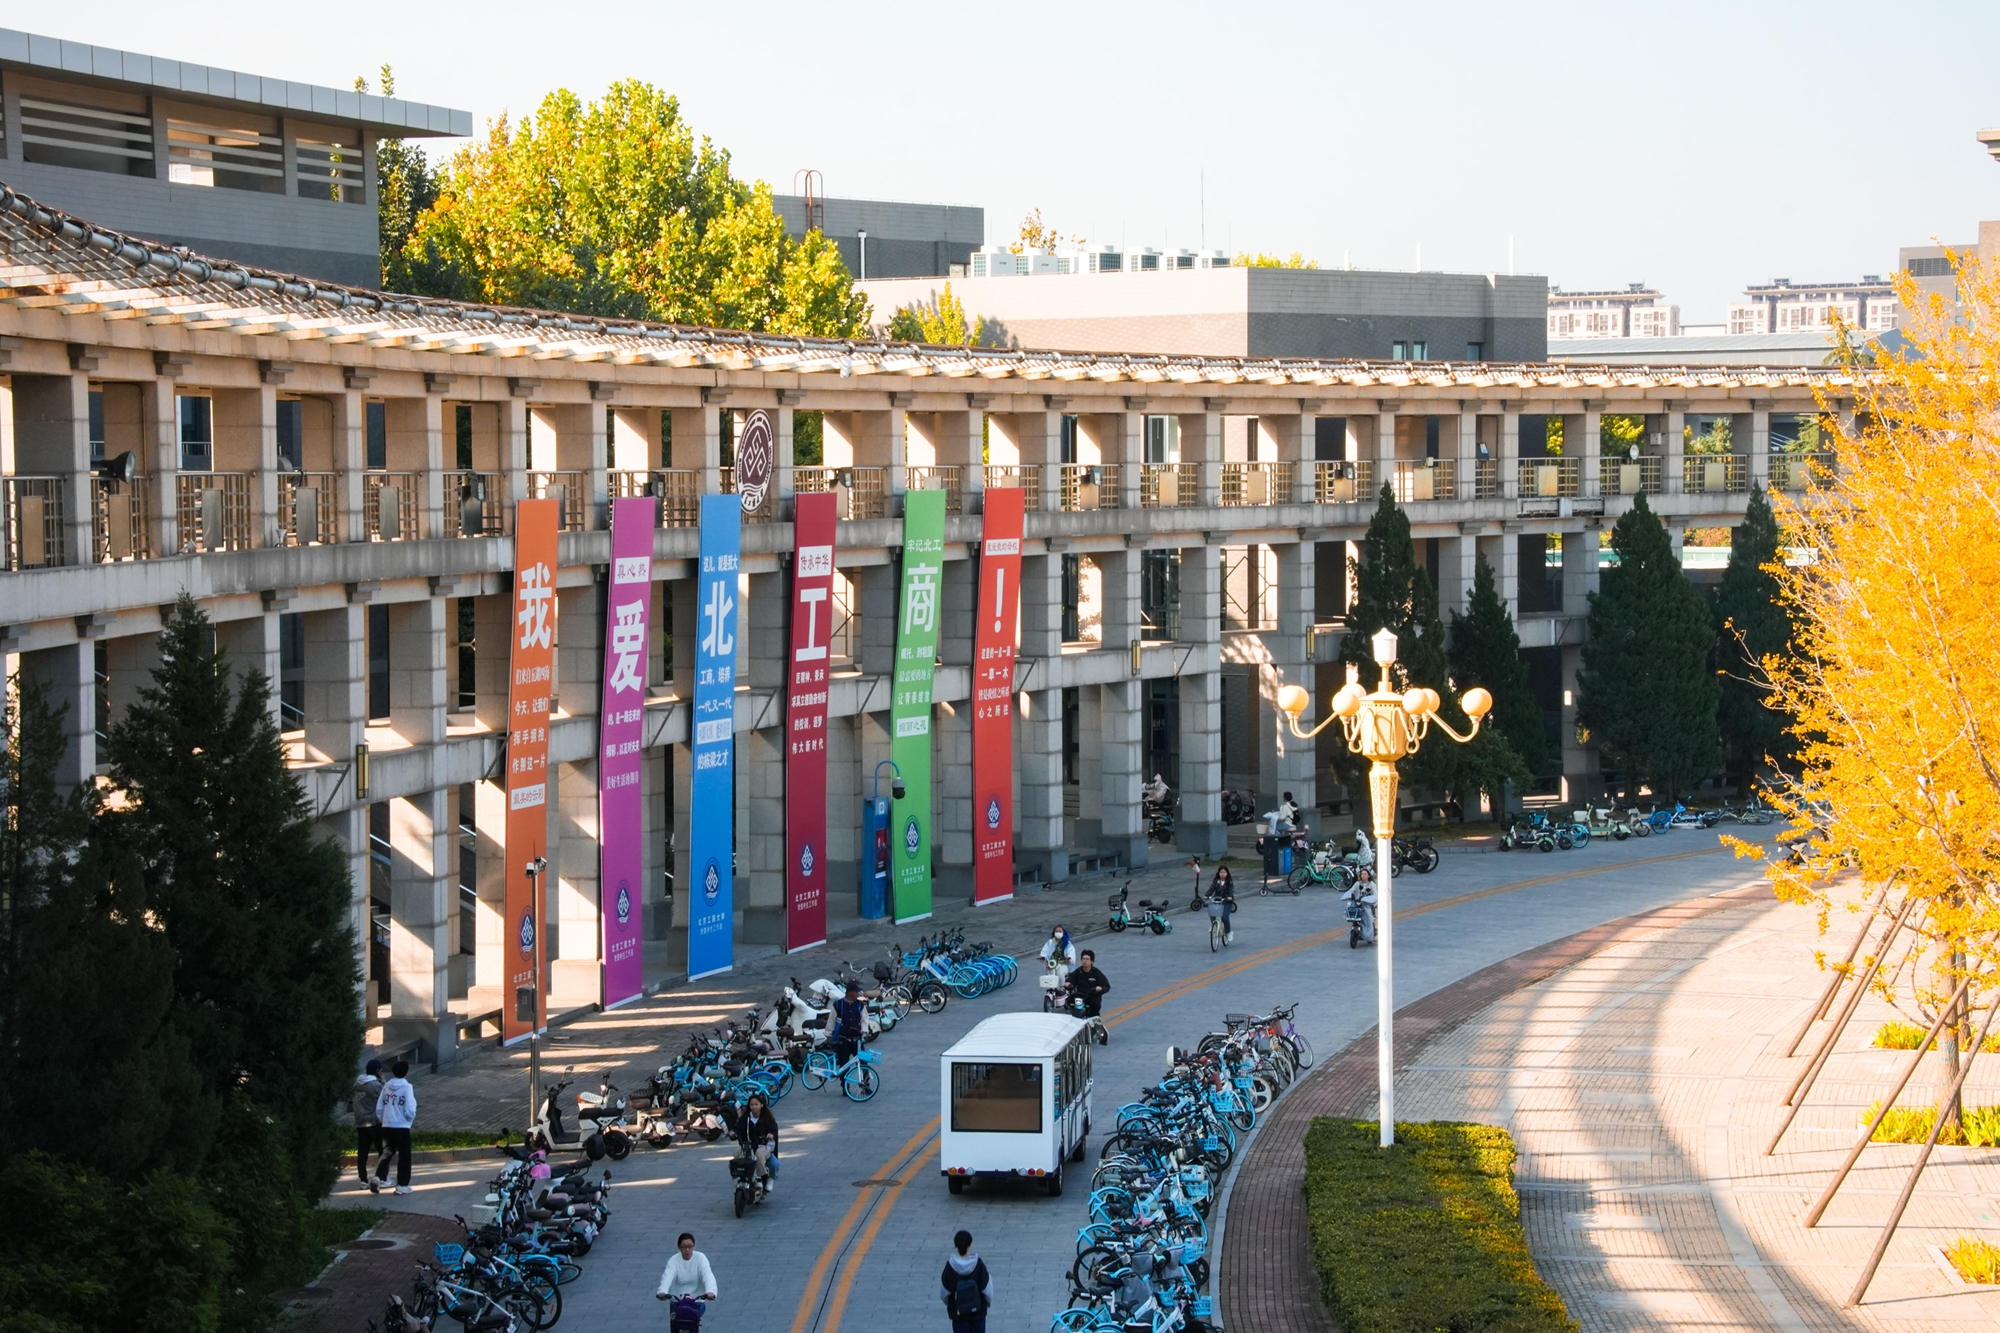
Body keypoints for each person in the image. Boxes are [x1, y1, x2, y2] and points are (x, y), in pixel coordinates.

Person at [656, 1232, 718, 1333]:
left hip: (696, 1301)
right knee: (675, 1323)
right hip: (677, 1301)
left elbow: (707, 1275)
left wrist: (710, 1291)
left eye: (690, 1246)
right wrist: (662, 1291)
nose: (687, 1250)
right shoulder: (674, 1260)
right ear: (679, 1247)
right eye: (684, 1247)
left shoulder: (700, 1258)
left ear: (694, 1245)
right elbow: (667, 1276)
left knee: (692, 1321)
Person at [373, 1058, 416, 1195]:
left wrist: (383, 1119)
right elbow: (410, 1108)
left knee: (387, 1152)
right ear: (406, 1073)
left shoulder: (386, 1086)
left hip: (387, 1124)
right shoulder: (407, 1087)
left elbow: (379, 1107)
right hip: (402, 1126)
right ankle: (402, 1185)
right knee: (404, 1156)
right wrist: (409, 1119)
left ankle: (378, 1176)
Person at [941, 1229, 993, 1333]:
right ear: (970, 1245)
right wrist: (987, 1303)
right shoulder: (979, 1265)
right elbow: (987, 1290)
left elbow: (944, 1293)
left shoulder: (950, 1267)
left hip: (959, 1313)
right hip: (978, 1313)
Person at [736, 1091, 780, 1192]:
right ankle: (739, 1177)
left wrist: (770, 1134)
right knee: (736, 1152)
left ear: (762, 1105)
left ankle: (761, 1178)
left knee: (763, 1157)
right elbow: (738, 1127)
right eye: (752, 1105)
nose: (754, 1107)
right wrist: (734, 1132)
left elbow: (773, 1129)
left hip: (763, 1145)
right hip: (748, 1145)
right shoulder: (746, 1117)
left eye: (756, 1104)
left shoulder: (767, 1118)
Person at [351, 1058, 384, 1187]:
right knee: (383, 1150)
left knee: (363, 1151)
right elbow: (384, 1095)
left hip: (359, 1121)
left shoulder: (356, 1084)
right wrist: (382, 1080)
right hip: (373, 1121)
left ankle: (363, 1179)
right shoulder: (375, 1085)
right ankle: (380, 1177)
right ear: (377, 1071)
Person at [831, 980, 869, 1069]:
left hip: (857, 1040)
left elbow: (864, 1019)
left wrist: (864, 1032)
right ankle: (843, 1078)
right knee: (844, 1065)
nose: (858, 994)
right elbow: (831, 1021)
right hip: (843, 1040)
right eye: (856, 992)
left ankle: (865, 1077)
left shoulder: (859, 1004)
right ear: (850, 993)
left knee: (863, 1063)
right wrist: (828, 1035)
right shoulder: (838, 1005)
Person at [1070, 950, 1110, 1018]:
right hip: (1080, 996)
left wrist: (1101, 988)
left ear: (1092, 961)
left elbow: (1106, 986)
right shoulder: (1078, 971)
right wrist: (1068, 983)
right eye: (1083, 959)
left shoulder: (1096, 973)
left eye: (1087, 959)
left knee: (1095, 1004)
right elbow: (1070, 980)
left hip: (1092, 995)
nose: (1085, 961)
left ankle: (1094, 1019)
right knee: (1068, 1002)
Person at [1207, 865, 1237, 942]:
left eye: (1224, 872)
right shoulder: (1216, 881)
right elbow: (1211, 889)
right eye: (1221, 872)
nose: (1222, 874)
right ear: (1218, 873)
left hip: (1227, 901)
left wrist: (1231, 897)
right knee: (1212, 913)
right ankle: (1213, 925)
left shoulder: (1229, 882)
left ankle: (1228, 932)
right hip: (1217, 900)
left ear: (1227, 873)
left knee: (1224, 917)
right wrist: (1207, 895)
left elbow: (1231, 890)